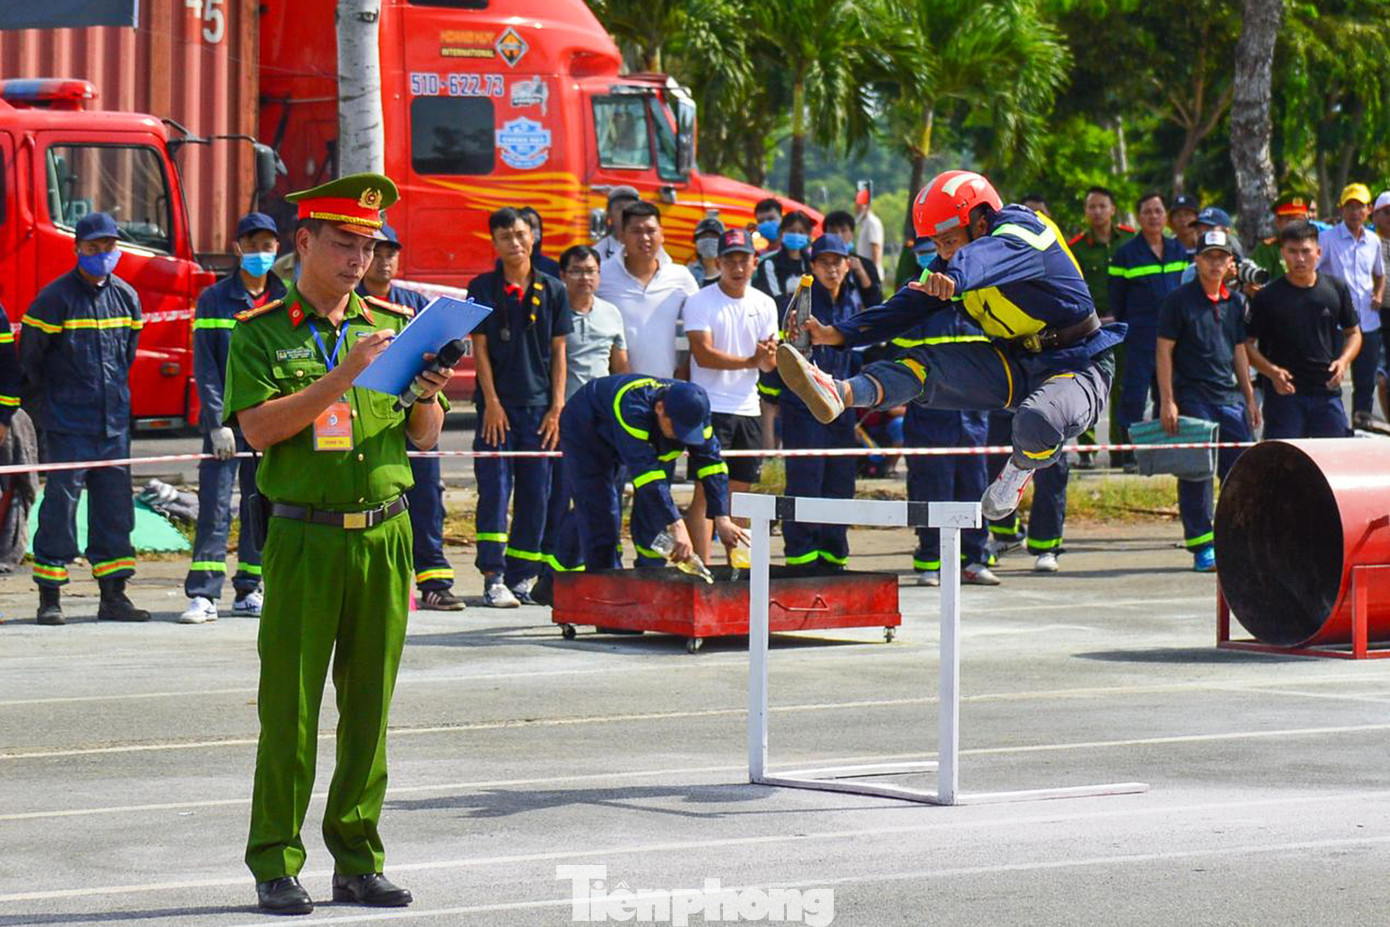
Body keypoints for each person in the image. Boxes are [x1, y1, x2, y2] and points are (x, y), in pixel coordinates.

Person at [224, 173, 450, 914]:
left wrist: (423, 392)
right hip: (303, 535)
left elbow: (423, 436)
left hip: (384, 532)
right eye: (345, 244)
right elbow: (256, 429)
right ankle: (275, 860)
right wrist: (343, 375)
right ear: (304, 243)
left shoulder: (392, 322)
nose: (359, 259)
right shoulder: (261, 333)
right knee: (289, 708)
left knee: (368, 708)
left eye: (369, 246)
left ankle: (357, 856)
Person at [774, 169, 1123, 527]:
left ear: (980, 220)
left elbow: (985, 259)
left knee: (1036, 419)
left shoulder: (1024, 231)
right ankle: (840, 392)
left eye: (949, 239)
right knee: (920, 365)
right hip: (1014, 363)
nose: (941, 252)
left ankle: (1018, 472)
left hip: (1079, 363)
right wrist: (835, 333)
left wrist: (955, 278)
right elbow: (903, 307)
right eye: (936, 244)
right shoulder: (949, 266)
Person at [20, 212, 149, 626]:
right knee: (60, 507)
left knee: (115, 511)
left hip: (113, 426)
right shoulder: (53, 299)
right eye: (93, 248)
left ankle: (113, 596)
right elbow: (31, 364)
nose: (102, 255)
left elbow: (126, 356)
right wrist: (49, 413)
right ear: (77, 249)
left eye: (108, 247)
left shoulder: (128, 298)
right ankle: (50, 597)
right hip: (67, 424)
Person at [179, 211, 286, 624]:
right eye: (253, 244)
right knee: (215, 506)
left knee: (261, 505)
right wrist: (215, 423)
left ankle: (249, 589)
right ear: (238, 248)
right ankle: (204, 594)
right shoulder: (214, 300)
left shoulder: (285, 297)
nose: (260, 252)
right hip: (226, 427)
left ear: (278, 248)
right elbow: (206, 368)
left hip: (267, 421)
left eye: (268, 244)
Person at [355, 225, 464, 611]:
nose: (383, 262)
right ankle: (384, 583)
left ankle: (435, 580)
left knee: (427, 497)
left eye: (390, 254)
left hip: (416, 410)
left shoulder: (412, 304)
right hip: (370, 419)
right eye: (377, 252)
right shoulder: (351, 302)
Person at [469, 207, 571, 607]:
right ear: (494, 243)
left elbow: (560, 352)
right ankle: (493, 575)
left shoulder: (554, 289)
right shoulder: (482, 287)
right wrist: (491, 402)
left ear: (533, 236)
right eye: (505, 236)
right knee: (494, 490)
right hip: (498, 408)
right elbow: (478, 349)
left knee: (537, 493)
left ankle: (522, 575)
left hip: (540, 408)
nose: (514, 242)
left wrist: (557, 407)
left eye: (520, 234)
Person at [551, 376, 747, 572]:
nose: (682, 437)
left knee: (653, 518)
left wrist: (722, 517)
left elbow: (711, 463)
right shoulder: (631, 407)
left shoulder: (695, 409)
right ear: (660, 409)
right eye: (677, 429)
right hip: (586, 428)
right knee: (600, 509)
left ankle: (650, 578)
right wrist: (678, 526)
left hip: (626, 435)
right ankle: (567, 583)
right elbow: (648, 477)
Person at [758, 234, 865, 570]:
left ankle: (834, 555)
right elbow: (786, 355)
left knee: (840, 482)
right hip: (804, 410)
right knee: (806, 482)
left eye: (838, 262)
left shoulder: (853, 302)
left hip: (842, 408)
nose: (832, 269)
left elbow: (859, 357)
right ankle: (802, 557)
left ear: (848, 265)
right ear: (813, 267)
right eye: (824, 262)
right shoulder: (801, 304)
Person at [1155, 230, 1259, 572]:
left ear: (1231, 262)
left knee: (1239, 470)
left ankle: (1236, 538)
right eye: (1208, 256)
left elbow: (1239, 352)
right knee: (1197, 472)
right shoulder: (1179, 300)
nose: (1215, 263)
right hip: (1193, 396)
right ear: (1197, 260)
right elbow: (1164, 350)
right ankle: (1202, 546)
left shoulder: (1234, 303)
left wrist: (1250, 398)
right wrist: (1167, 400)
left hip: (1228, 398)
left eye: (1221, 257)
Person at [682, 228, 778, 564]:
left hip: (748, 408)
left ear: (754, 262)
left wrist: (767, 357)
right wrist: (753, 360)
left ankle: (737, 568)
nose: (738, 267)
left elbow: (767, 364)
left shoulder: (765, 303)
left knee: (740, 495)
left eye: (744, 260)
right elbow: (703, 354)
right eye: (730, 260)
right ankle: (704, 567)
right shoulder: (700, 301)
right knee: (706, 494)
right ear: (718, 262)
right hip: (709, 407)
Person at [539, 244, 630, 574]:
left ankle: (598, 563)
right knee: (561, 496)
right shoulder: (552, 312)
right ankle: (553, 568)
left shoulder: (611, 313)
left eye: (590, 271)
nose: (584, 278)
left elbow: (620, 366)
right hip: (564, 420)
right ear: (562, 276)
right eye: (576, 271)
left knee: (606, 496)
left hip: (605, 421)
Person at [894, 313, 998, 586]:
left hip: (972, 421)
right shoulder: (916, 310)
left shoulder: (979, 309)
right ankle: (930, 563)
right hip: (930, 423)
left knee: (973, 491)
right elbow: (897, 363)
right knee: (932, 492)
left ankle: (973, 561)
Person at [1245, 220, 1361, 439]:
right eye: (1293, 252)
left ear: (1318, 253)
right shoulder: (1266, 297)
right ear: (1283, 254)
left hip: (1327, 393)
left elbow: (1354, 333)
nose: (1299, 259)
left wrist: (1343, 361)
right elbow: (1246, 344)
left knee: (1332, 463)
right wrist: (1272, 372)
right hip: (1284, 394)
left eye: (1306, 251)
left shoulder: (1336, 289)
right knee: (1284, 464)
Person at [1109, 192, 1188, 469]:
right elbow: (1116, 300)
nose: (1154, 217)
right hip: (1140, 336)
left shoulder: (1179, 251)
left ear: (1165, 216)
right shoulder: (1126, 254)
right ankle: (1129, 453)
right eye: (1148, 212)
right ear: (1139, 218)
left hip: (1173, 338)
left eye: (1158, 211)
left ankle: (1159, 450)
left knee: (1166, 394)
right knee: (1134, 395)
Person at [1068, 186, 1135, 467]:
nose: (1097, 212)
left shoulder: (1130, 242)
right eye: (1091, 207)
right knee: (1088, 384)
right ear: (1085, 212)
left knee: (1123, 388)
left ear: (1113, 209)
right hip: (1090, 327)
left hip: (1123, 324)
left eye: (1102, 206)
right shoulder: (1077, 247)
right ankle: (1086, 450)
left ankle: (1122, 451)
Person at [596, 200, 698, 378]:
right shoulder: (602, 275)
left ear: (662, 234)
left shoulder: (681, 277)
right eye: (636, 231)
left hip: (668, 386)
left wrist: (685, 370)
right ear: (622, 236)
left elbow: (700, 325)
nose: (644, 238)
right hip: (616, 386)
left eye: (651, 231)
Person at [1318, 183, 1385, 426]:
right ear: (1341, 209)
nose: (1355, 212)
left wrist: (1378, 293)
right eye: (1350, 207)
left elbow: (1379, 272)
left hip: (1367, 320)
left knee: (1365, 379)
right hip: (1336, 323)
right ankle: (1331, 422)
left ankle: (1362, 422)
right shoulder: (1327, 238)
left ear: (1369, 209)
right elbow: (1314, 273)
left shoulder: (1373, 241)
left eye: (1360, 207)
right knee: (1332, 375)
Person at [823, 209, 884, 309]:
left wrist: (861, 273)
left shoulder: (865, 264)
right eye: (833, 232)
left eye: (843, 231)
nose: (839, 236)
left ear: (851, 234)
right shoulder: (818, 264)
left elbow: (876, 301)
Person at [1248, 193, 1312, 281]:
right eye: (1290, 220)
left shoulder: (1315, 246)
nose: (1295, 225)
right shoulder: (1267, 249)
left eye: (1299, 220)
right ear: (1277, 221)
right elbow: (1257, 284)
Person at [752, 210, 813, 300]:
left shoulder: (811, 262)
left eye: (801, 232)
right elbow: (775, 297)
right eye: (791, 231)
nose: (796, 235)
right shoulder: (769, 263)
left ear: (807, 235)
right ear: (781, 233)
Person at [595, 186, 641, 263]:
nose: (626, 213)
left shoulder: (649, 246)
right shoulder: (598, 252)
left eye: (631, 207)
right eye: (620, 208)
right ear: (609, 213)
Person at [518, 205, 563, 279]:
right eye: (528, 226)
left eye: (534, 226)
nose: (531, 232)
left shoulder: (552, 267)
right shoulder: (506, 264)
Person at [855, 186, 885, 279]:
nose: (856, 207)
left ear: (867, 205)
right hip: (865, 273)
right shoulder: (865, 223)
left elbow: (875, 248)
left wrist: (872, 273)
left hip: (871, 274)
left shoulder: (872, 222)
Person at [688, 215, 726, 288]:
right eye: (704, 236)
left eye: (714, 236)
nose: (709, 240)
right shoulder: (688, 273)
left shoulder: (731, 271)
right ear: (696, 242)